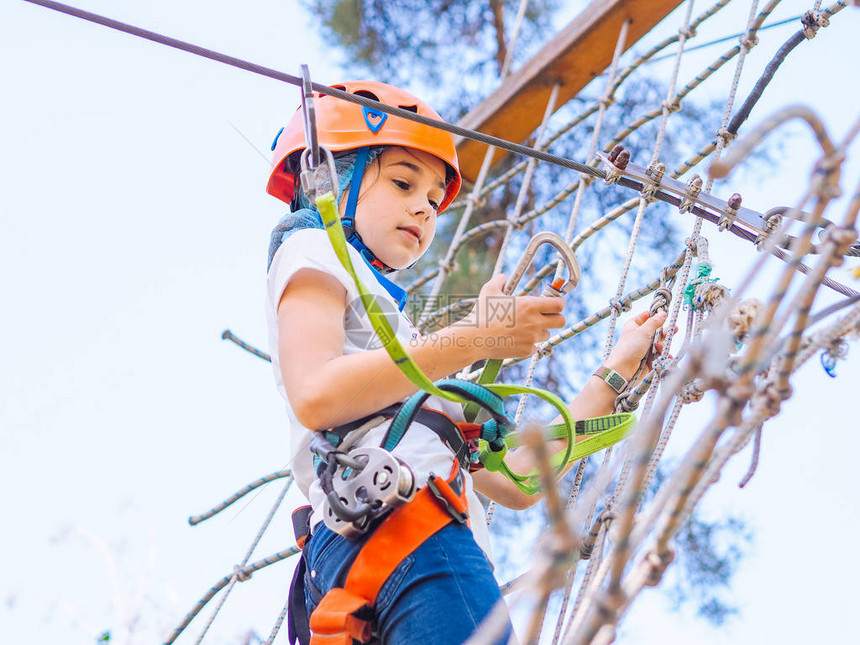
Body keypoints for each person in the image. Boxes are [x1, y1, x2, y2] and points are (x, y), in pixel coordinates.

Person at [265, 81, 666, 645]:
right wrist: (476, 336)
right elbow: (316, 393)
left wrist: (616, 375)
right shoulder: (311, 249)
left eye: (433, 201)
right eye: (403, 182)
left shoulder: (397, 346)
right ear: (329, 180)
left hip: (382, 548)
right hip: (407, 532)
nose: (423, 209)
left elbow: (518, 478)